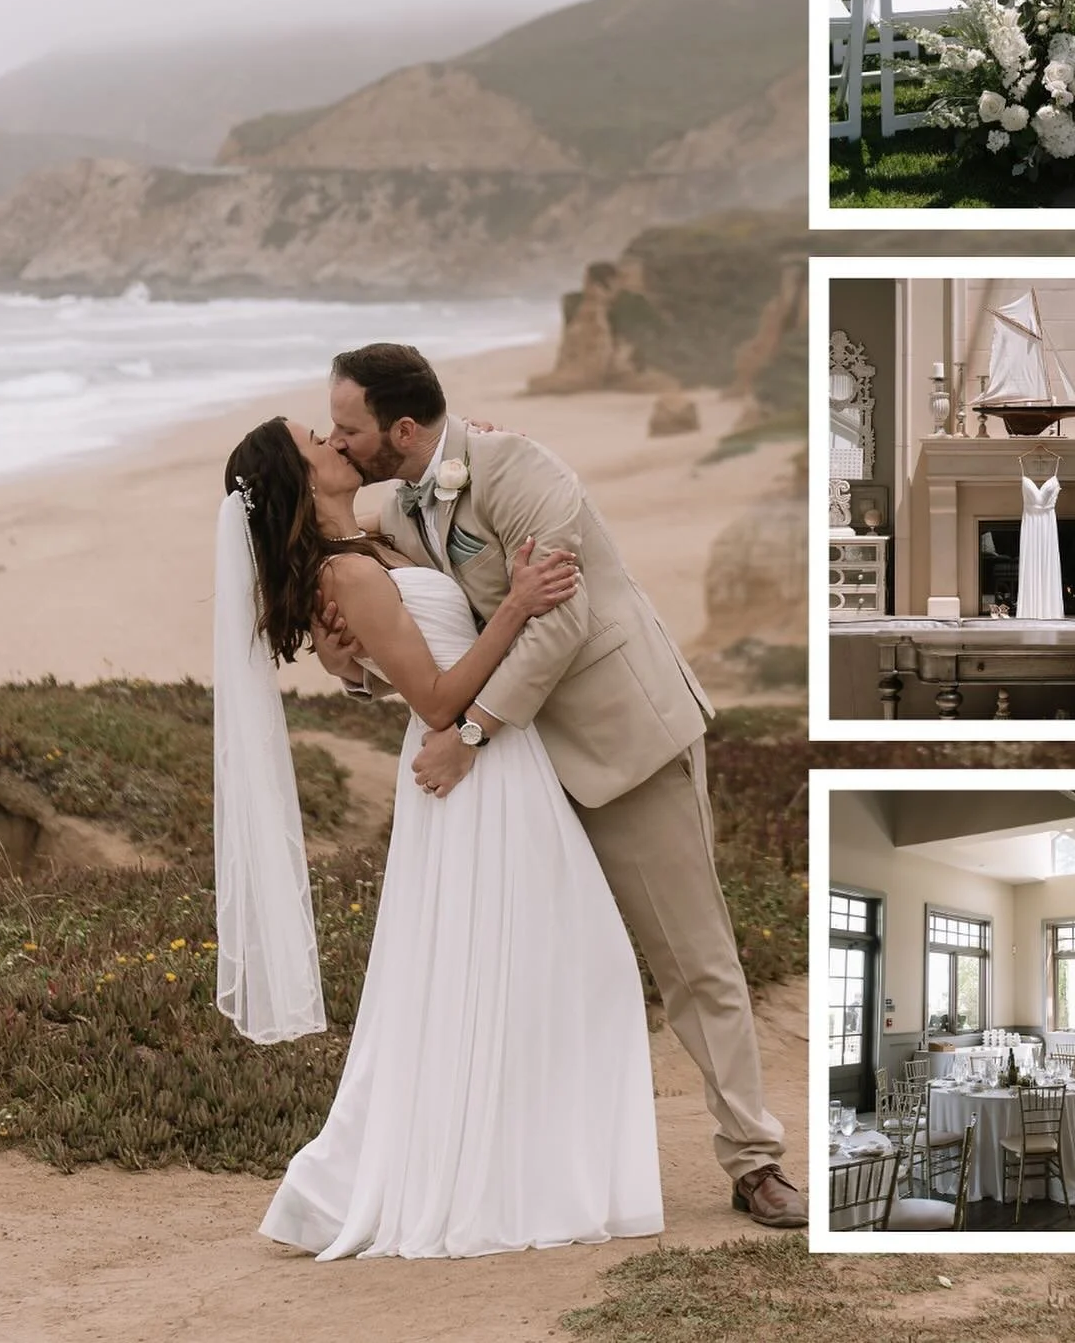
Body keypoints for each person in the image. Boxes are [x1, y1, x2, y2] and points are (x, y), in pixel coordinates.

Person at [313, 342, 805, 1228]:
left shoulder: (521, 467)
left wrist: (469, 733)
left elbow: (564, 620)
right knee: (547, 972)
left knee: (695, 963)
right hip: (522, 779)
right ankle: (555, 1164)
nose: (340, 443)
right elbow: (431, 637)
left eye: (349, 428)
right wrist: (354, 669)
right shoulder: (400, 511)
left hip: (622, 742)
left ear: (405, 427)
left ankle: (755, 1159)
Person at [215, 416, 664, 1258]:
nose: (331, 436)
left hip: (496, 766)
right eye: (314, 438)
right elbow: (437, 698)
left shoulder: (368, 543)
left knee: (531, 967)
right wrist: (522, 608)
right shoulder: (346, 570)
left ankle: (526, 1161)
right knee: (555, 962)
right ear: (300, 479)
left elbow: (392, 643)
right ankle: (506, 1174)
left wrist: (477, 448)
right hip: (470, 770)